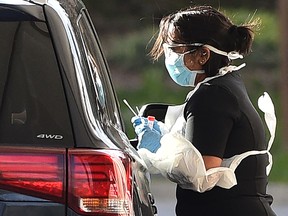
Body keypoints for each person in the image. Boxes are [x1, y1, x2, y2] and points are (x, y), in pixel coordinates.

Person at [131, 5, 277, 216]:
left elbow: (201, 175)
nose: (168, 56)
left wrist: (158, 147)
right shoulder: (226, 84)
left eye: (174, 48)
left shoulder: (212, 94)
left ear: (203, 55)